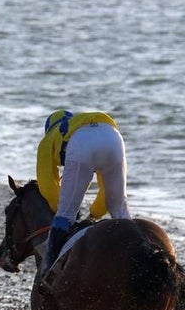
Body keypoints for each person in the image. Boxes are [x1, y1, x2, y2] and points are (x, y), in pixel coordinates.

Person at [36, 109, 131, 273]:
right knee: (120, 210)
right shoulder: (79, 122)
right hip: (114, 137)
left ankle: (48, 270)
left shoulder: (49, 139)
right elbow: (105, 193)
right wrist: (94, 214)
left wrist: (61, 210)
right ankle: (136, 253)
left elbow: (47, 184)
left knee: (65, 213)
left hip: (82, 143)